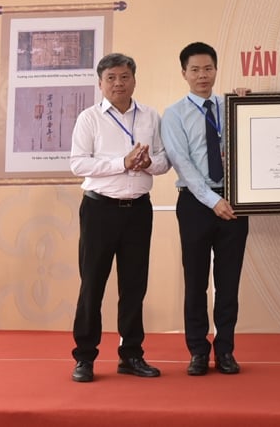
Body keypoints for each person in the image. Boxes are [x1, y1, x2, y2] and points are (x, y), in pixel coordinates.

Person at [69, 53, 170, 383]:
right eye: (111, 78)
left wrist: (146, 164)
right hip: (99, 210)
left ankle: (131, 355)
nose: (118, 83)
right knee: (92, 285)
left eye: (124, 77)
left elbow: (164, 160)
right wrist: (122, 163)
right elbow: (78, 164)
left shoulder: (150, 116)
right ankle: (85, 358)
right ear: (100, 83)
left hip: (138, 210)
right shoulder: (88, 119)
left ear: (134, 80)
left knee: (134, 287)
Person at [161, 41, 249, 376]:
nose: (202, 75)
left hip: (235, 201)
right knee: (195, 280)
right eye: (195, 69)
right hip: (197, 204)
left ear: (216, 70)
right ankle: (198, 350)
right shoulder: (174, 114)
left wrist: (250, 104)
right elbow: (182, 164)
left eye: (208, 68)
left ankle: (225, 349)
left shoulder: (232, 105)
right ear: (184, 73)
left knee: (229, 282)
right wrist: (213, 202)